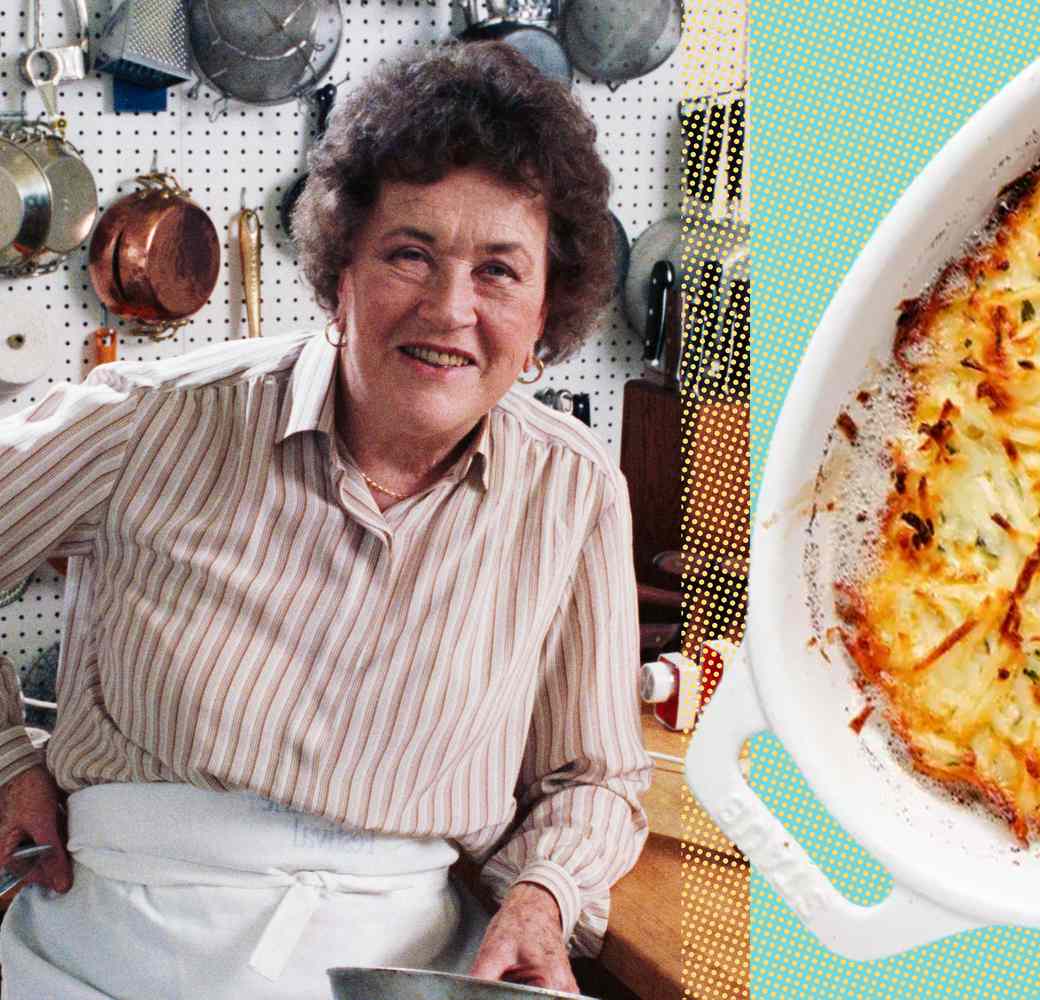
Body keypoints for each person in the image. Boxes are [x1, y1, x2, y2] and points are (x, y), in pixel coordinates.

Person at [0, 40, 649, 998]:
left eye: (499, 272)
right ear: (340, 269)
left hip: (403, 963)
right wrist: (9, 757)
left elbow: (591, 776)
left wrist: (544, 895)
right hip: (115, 946)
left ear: (548, 310)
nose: (449, 308)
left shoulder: (574, 488)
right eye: (409, 254)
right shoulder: (153, 418)